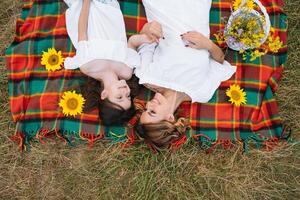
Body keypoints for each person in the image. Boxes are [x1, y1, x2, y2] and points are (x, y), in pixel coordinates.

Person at [135, 0, 237, 148]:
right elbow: (220, 60)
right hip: (196, 7)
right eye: (152, 112)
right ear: (170, 118)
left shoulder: (146, 77)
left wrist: (147, 29)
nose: (149, 104)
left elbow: (144, 40)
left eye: (145, 109)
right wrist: (206, 44)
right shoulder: (201, 91)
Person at [63, 0, 151, 126]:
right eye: (128, 97)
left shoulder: (87, 66)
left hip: (86, 11)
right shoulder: (126, 71)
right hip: (109, 9)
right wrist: (144, 39)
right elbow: (131, 43)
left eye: (119, 97)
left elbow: (82, 31)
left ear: (104, 94)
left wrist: (86, 2)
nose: (125, 92)